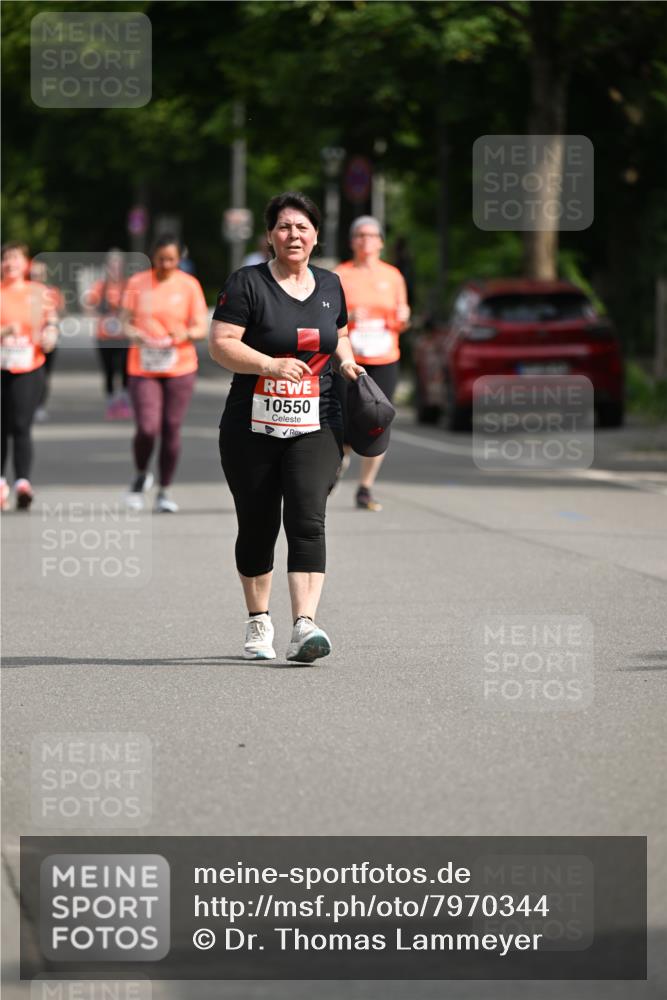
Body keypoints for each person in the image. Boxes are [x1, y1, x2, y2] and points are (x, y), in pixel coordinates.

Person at [209, 191, 365, 663]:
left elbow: (339, 335)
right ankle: (259, 621)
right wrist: (268, 365)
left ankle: (305, 626)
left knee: (306, 516)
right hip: (251, 423)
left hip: (317, 418)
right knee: (257, 525)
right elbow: (220, 344)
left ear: (316, 236)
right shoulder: (247, 284)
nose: (293, 235)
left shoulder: (332, 285)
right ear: (269, 236)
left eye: (302, 227)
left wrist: (350, 364)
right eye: (283, 227)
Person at [120, 235, 208, 512]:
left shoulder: (189, 285)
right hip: (143, 366)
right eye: (161, 259)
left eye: (172, 259)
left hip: (179, 365)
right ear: (152, 257)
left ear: (180, 258)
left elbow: (201, 328)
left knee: (171, 428)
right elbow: (124, 321)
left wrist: (185, 333)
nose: (166, 264)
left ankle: (164, 490)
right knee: (147, 427)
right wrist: (135, 333)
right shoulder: (137, 283)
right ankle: (140, 474)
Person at [335, 215, 410, 511]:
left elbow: (402, 314)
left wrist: (404, 318)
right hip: (350, 360)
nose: (365, 241)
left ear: (380, 241)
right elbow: (329, 317)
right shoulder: (340, 275)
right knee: (345, 424)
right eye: (359, 235)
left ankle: (365, 488)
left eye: (371, 235)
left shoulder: (393, 276)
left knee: (379, 421)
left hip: (385, 357)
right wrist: (351, 318)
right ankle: (334, 470)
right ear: (352, 241)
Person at [0, 242, 58, 510]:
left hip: (28, 365)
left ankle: (23, 482)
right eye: (5, 259)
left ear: (26, 264)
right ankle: (1, 483)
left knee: (21, 425)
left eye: (15, 258)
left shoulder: (38, 292)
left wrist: (50, 334)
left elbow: (52, 321)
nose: (10, 263)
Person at [85, 249, 131, 420]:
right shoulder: (100, 286)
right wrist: (101, 317)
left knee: (126, 369)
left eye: (118, 264)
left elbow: (134, 308)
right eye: (112, 265)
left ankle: (124, 400)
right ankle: (112, 403)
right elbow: (89, 306)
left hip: (123, 336)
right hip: (104, 336)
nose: (115, 268)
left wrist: (123, 319)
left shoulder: (128, 285)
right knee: (109, 370)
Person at [29, 258, 64, 422]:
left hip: (47, 340)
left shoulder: (52, 292)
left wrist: (51, 330)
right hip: (27, 341)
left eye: (40, 272)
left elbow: (60, 313)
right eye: (34, 272)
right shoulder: (24, 290)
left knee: (44, 374)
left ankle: (40, 405)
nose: (37, 275)